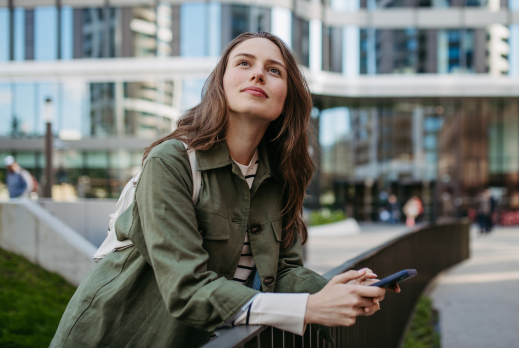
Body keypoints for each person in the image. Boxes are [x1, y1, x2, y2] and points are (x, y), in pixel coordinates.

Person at [50, 32, 399, 348]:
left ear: (286, 97)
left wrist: (336, 291)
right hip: (111, 337)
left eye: (274, 70)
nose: (258, 74)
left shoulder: (279, 178)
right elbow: (187, 289)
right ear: (221, 82)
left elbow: (284, 271)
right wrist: (309, 307)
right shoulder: (171, 161)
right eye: (244, 63)